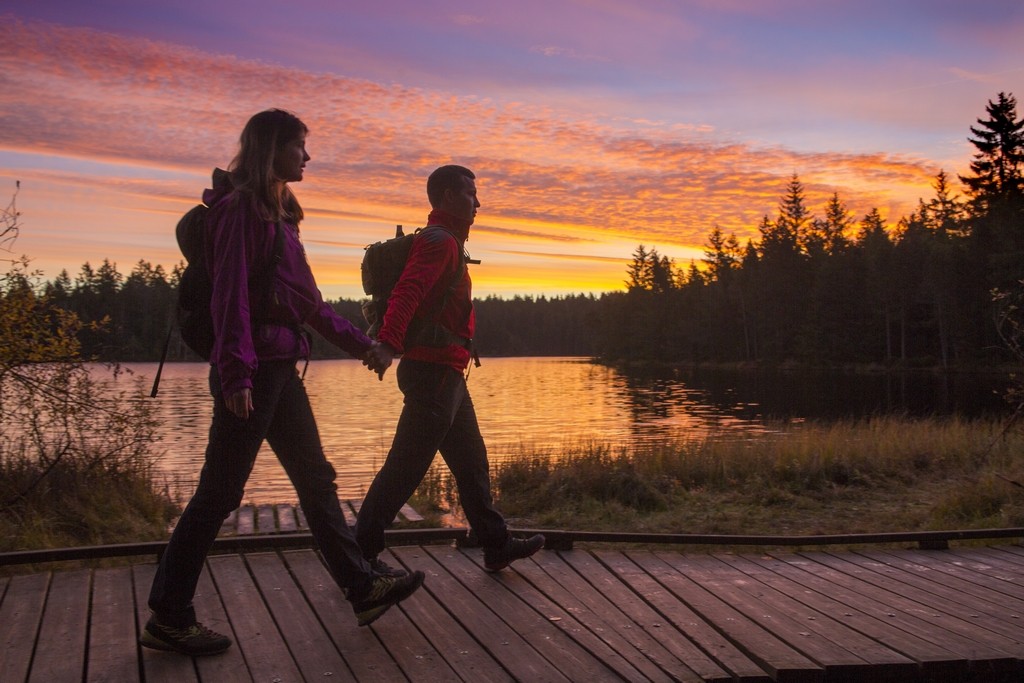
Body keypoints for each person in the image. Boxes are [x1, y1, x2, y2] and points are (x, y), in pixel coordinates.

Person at [141, 109, 424, 657]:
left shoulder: (279, 217)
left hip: (277, 370)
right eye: (299, 146)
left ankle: (362, 586)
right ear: (273, 149)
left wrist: (361, 344)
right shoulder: (242, 211)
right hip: (253, 374)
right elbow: (230, 300)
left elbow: (307, 304)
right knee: (219, 494)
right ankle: (169, 615)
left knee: (316, 480)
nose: (307, 157)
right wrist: (237, 374)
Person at [357, 164, 544, 576]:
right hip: (432, 376)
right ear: (445, 197)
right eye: (469, 194)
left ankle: (495, 544)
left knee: (472, 463)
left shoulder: (449, 242)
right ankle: (359, 555)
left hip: (448, 374)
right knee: (404, 469)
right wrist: (388, 343)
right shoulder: (439, 242)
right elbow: (409, 290)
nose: (477, 203)